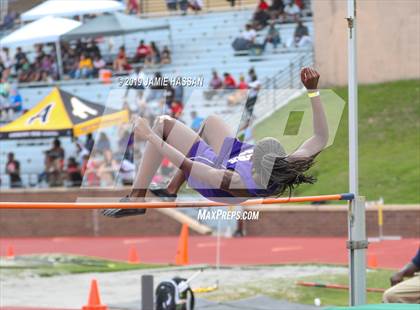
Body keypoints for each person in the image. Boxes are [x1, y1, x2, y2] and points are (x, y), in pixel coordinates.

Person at [102, 67, 328, 217]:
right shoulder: (283, 164)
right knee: (211, 121)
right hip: (230, 158)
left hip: (210, 179)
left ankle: (136, 199)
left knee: (162, 124)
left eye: (255, 151)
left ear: (257, 165)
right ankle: (171, 189)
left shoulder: (239, 182)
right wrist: (312, 92)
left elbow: (187, 164)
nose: (255, 147)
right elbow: (320, 137)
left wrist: (149, 135)